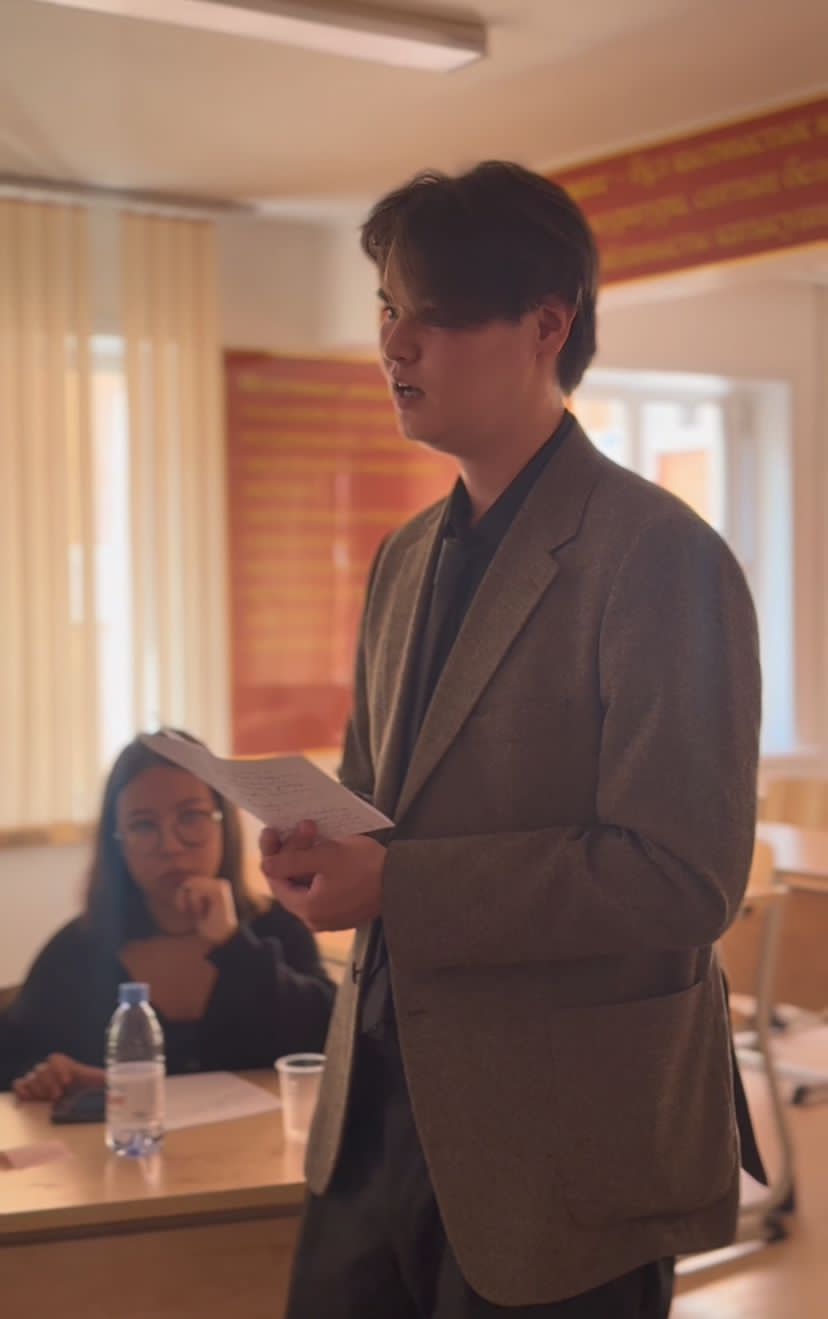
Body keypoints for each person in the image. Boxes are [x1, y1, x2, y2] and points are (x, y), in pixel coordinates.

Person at [261, 162, 762, 1318]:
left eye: (434, 315)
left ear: (547, 324)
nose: (395, 345)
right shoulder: (404, 556)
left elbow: (681, 875)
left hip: (560, 1145)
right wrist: (316, 847)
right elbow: (374, 799)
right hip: (375, 1116)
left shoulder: (656, 555)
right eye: (389, 308)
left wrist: (396, 882)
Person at [0, 733, 335, 1097]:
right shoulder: (79, 948)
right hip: (121, 1135)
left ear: (224, 825)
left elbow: (331, 1041)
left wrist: (233, 944)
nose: (171, 846)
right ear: (117, 841)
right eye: (143, 825)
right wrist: (51, 1078)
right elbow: (14, 1063)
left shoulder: (278, 928)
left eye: (191, 817)